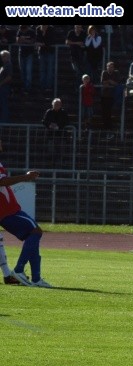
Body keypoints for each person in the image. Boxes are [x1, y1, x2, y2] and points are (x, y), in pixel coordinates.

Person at [0, 140, 51, 288]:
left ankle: (36, 278)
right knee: (36, 231)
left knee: (33, 235)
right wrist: (26, 177)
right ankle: (19, 270)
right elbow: (2, 182)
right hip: (7, 211)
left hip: (9, 209)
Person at [100, 61, 122, 132]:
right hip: (104, 95)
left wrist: (109, 81)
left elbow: (117, 83)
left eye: (111, 67)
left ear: (113, 67)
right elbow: (103, 82)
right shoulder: (104, 73)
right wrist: (110, 82)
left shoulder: (116, 73)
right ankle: (105, 126)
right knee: (104, 111)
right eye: (108, 67)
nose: (110, 68)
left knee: (109, 111)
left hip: (112, 95)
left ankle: (109, 126)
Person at [35, 24, 56, 93]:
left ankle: (49, 86)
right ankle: (42, 86)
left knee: (50, 70)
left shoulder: (51, 29)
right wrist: (43, 33)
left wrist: (43, 42)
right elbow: (37, 40)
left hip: (50, 52)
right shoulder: (38, 29)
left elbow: (51, 41)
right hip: (42, 52)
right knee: (42, 70)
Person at [65, 25, 86, 91]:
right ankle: (77, 87)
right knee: (78, 71)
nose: (78, 28)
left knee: (81, 72)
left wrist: (74, 43)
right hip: (73, 56)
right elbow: (67, 42)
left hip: (81, 56)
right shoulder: (71, 33)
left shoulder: (83, 33)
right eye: (77, 27)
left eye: (79, 27)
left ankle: (80, 86)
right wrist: (77, 43)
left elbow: (83, 43)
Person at [16, 24, 36, 95]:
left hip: (29, 54)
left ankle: (28, 88)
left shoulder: (31, 32)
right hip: (21, 53)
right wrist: (26, 41)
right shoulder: (19, 31)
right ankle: (23, 87)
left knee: (28, 71)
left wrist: (23, 40)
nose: (22, 30)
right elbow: (18, 41)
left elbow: (32, 42)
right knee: (22, 71)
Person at [0, 50, 12, 123]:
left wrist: (0, 83)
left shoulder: (8, 65)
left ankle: (4, 121)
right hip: (2, 87)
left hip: (4, 88)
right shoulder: (4, 65)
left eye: (4, 56)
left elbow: (9, 77)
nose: (2, 58)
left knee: (4, 104)